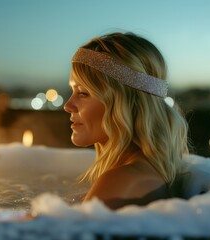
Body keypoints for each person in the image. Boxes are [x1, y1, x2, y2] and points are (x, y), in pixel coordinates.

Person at [64, 32, 190, 210]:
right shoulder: (140, 174)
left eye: (83, 93)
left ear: (124, 104)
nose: (68, 106)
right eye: (72, 91)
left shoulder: (122, 181)